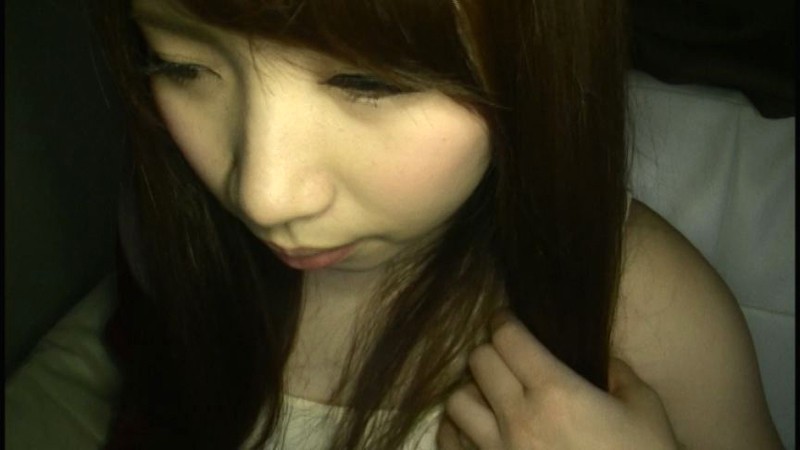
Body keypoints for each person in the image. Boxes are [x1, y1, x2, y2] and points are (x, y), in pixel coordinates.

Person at [91, 0, 783, 448]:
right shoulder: (165, 228)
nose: (263, 196)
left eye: (370, 82)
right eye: (182, 66)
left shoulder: (649, 316)